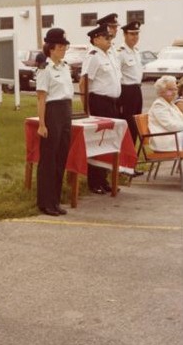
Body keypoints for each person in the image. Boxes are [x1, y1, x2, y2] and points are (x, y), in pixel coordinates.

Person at [79, 22, 121, 194]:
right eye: (106, 37)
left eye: (110, 36)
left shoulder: (108, 54)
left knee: (108, 142)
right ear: (95, 40)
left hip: (111, 103)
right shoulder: (94, 56)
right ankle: (94, 181)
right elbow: (84, 83)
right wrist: (86, 108)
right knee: (96, 142)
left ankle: (103, 179)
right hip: (99, 102)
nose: (110, 39)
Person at [35, 28, 74, 216]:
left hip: (66, 111)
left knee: (61, 157)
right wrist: (42, 124)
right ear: (51, 48)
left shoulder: (65, 66)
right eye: (60, 46)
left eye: (64, 46)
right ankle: (45, 202)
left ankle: (56, 200)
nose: (63, 49)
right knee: (49, 160)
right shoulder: (45, 69)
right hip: (52, 112)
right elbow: (41, 98)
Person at [117, 21, 144, 146]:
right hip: (126, 92)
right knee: (128, 125)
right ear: (125, 35)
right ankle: (125, 160)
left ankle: (132, 158)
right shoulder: (120, 53)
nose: (135, 37)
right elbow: (117, 76)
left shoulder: (136, 52)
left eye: (137, 34)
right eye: (132, 34)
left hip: (137, 91)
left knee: (136, 125)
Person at [147, 75, 183, 151]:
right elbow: (170, 125)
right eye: (170, 90)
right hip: (166, 140)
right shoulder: (159, 105)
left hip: (174, 137)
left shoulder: (170, 104)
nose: (174, 92)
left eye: (175, 89)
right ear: (161, 91)